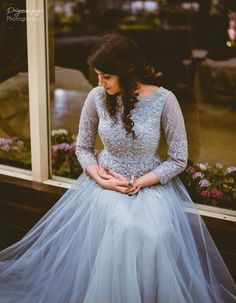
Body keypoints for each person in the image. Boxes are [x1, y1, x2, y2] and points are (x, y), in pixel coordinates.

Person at [0, 33, 235, 303]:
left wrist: (140, 182)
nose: (100, 82)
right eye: (98, 75)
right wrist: (101, 179)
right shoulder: (96, 97)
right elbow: (83, 148)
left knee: (152, 235)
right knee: (124, 228)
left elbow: (179, 159)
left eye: (106, 76)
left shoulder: (164, 100)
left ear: (127, 71)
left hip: (150, 186)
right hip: (105, 184)